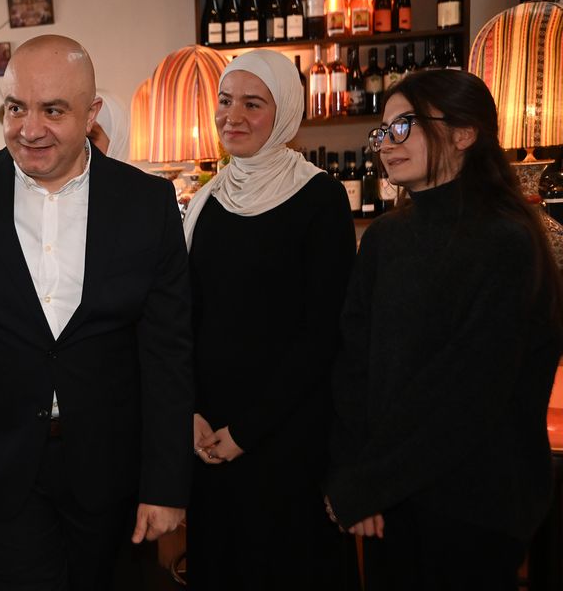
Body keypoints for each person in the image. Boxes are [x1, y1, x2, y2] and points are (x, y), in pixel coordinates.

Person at [0, 34, 194, 590]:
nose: (29, 129)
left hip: (109, 467)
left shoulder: (146, 203)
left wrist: (166, 484)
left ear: (91, 112)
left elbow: (168, 352)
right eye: (15, 108)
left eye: (53, 110)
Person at [325, 70, 563, 590]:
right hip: (392, 501)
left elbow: (467, 393)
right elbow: (352, 367)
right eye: (382, 131)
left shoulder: (509, 243)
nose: (387, 144)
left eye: (404, 126)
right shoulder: (384, 239)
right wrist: (353, 476)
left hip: (475, 504)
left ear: (463, 133)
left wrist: (370, 482)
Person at [182, 50, 357, 589]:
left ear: (283, 113)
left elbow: (323, 333)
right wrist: (189, 412)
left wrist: (249, 431)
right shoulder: (206, 201)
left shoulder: (319, 197)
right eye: (225, 101)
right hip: (209, 439)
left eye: (252, 104)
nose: (232, 116)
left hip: (287, 437)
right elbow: (184, 320)